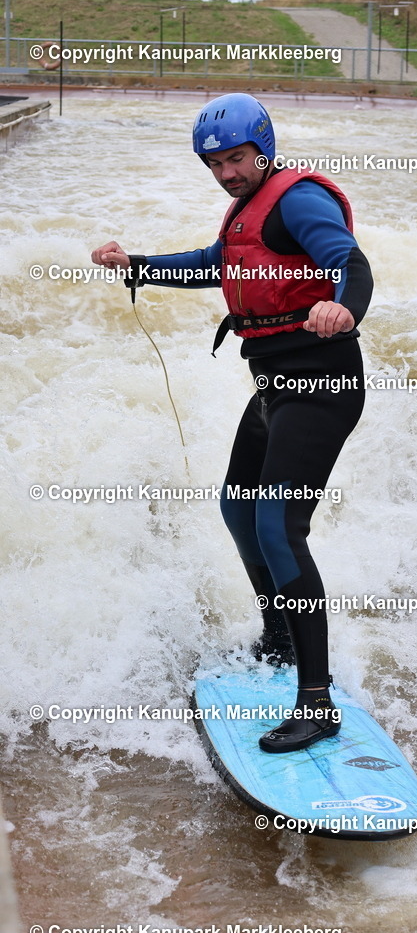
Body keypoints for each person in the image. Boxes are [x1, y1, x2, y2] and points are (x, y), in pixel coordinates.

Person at [91, 93, 373, 754]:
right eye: (213, 164)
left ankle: (315, 701)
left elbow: (348, 263)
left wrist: (344, 308)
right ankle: (278, 636)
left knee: (278, 524)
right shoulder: (247, 210)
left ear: (263, 149)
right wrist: (138, 266)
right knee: (238, 506)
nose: (226, 174)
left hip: (321, 383)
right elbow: (213, 264)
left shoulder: (297, 198)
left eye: (236, 159)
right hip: (276, 383)